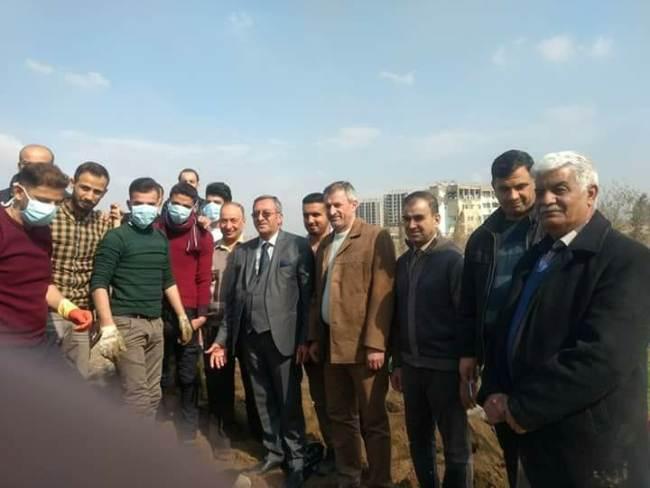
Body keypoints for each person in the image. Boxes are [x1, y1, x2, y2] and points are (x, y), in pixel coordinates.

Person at [479, 151, 650, 487]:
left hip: (589, 450)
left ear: (591, 194)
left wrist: (523, 408)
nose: (546, 200)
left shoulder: (627, 260)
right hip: (528, 439)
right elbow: (505, 331)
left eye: (559, 190)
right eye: (541, 191)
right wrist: (493, 389)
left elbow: (602, 356)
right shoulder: (538, 257)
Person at [215, 195, 313, 488]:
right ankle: (273, 452)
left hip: (283, 340)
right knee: (262, 399)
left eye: (267, 213)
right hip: (250, 340)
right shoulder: (244, 251)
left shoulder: (297, 246)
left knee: (288, 401)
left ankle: (296, 460)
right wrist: (223, 339)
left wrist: (305, 339)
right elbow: (232, 301)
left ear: (279, 217)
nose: (261, 218)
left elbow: (307, 298)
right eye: (256, 213)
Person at [457, 149, 537, 487]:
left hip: (538, 358)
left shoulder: (548, 229)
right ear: (494, 188)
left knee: (543, 449)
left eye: (520, 186)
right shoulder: (483, 238)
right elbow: (469, 303)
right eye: (504, 188)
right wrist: (467, 353)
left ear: (534, 183)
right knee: (510, 444)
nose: (513, 195)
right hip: (496, 359)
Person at [308, 181, 395, 488]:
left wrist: (376, 344)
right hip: (331, 347)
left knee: (373, 419)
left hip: (362, 348)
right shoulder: (326, 245)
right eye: (328, 206)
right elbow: (318, 295)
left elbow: (383, 293)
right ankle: (349, 475)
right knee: (340, 416)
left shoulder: (375, 237)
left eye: (338, 205)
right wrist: (315, 338)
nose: (332, 211)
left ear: (353, 204)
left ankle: (380, 479)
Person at [90, 177, 193, 417]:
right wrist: (108, 325)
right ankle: (135, 440)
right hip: (126, 324)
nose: (144, 208)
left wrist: (182, 316)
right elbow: (99, 282)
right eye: (138, 203)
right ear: (129, 203)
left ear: (159, 205)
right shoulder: (116, 237)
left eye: (150, 203)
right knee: (137, 397)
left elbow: (168, 280)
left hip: (155, 324)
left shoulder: (160, 238)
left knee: (153, 393)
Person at [390, 191, 472, 487]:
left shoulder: (453, 260)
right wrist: (398, 363)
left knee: (455, 448)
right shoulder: (403, 263)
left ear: (436, 219)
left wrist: (466, 368)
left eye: (419, 218)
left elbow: (466, 317)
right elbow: (397, 318)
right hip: (412, 369)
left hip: (445, 370)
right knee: (419, 440)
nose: (412, 225)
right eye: (407, 219)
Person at [0, 164, 93, 350]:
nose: (50, 208)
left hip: (36, 340)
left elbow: (43, 284)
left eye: (56, 203)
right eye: (43, 200)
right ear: (18, 192)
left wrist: (69, 309)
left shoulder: (42, 231)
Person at [204, 201, 262, 448]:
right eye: (224, 220)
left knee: (253, 380)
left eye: (233, 220)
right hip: (215, 323)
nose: (228, 225)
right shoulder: (210, 250)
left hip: (245, 326)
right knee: (218, 382)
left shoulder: (254, 250)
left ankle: (258, 432)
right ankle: (223, 430)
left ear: (243, 222)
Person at [158, 182, 213, 442]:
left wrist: (201, 315)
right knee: (162, 369)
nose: (179, 209)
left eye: (185, 205)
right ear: (168, 201)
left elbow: (204, 277)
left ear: (194, 207)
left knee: (188, 371)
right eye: (175, 203)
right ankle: (161, 420)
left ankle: (188, 427)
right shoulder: (156, 228)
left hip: (189, 310)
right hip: (156, 307)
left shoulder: (201, 235)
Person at [49, 161, 111, 378]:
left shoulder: (102, 223)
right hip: (47, 311)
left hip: (81, 314)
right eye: (85, 188)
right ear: (72, 183)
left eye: (97, 192)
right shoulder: (51, 216)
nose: (89, 196)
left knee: (76, 379)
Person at [300, 192, 335, 475]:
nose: (311, 220)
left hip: (336, 339)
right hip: (308, 340)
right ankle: (332, 449)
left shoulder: (337, 245)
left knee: (343, 403)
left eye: (316, 215)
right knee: (320, 400)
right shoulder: (299, 249)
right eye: (306, 215)